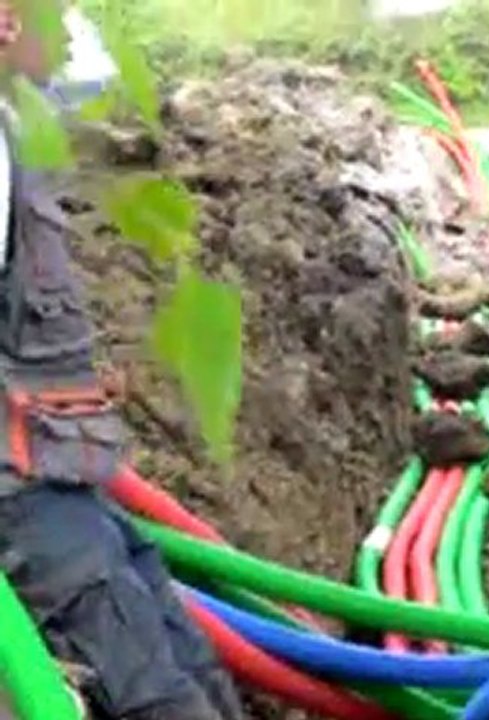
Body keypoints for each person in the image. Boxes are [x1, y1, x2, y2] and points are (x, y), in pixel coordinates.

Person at [0, 5, 243, 720]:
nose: (68, 29)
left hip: (61, 480)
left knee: (198, 675)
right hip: (24, 506)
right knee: (161, 702)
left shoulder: (11, 130)